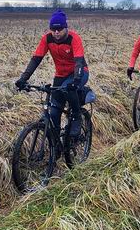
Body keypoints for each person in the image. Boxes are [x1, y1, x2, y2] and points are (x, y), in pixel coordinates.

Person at [15, 9, 89, 156]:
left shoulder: (74, 38)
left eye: (59, 29)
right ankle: (56, 149)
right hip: (60, 75)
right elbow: (36, 59)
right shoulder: (47, 39)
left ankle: (76, 117)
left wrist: (75, 81)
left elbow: (79, 62)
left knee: (69, 90)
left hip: (79, 73)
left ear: (65, 27)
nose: (56, 32)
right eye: (53, 29)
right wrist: (23, 79)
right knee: (54, 112)